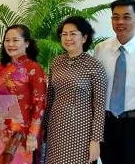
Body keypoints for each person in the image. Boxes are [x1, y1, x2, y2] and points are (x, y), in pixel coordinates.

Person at [44, 16, 107, 164]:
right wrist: (43, 127)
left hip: (81, 129)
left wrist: (95, 140)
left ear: (84, 37)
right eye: (64, 34)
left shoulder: (94, 66)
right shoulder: (56, 62)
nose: (68, 38)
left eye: (73, 33)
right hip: (56, 126)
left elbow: (99, 106)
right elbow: (50, 96)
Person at [94, 0, 135, 164]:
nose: (120, 21)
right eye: (115, 17)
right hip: (107, 123)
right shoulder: (100, 49)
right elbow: (96, 91)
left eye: (126, 17)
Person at [0, 24, 46, 164]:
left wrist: (33, 135)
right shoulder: (0, 68)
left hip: (23, 132)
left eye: (15, 40)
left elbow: (40, 103)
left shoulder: (33, 68)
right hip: (1, 130)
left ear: (27, 43)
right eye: (7, 40)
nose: (10, 44)